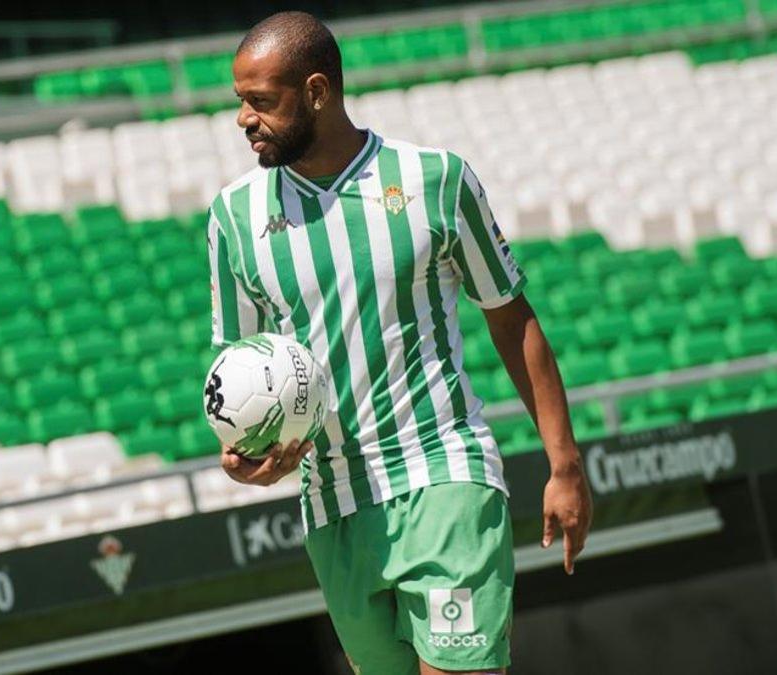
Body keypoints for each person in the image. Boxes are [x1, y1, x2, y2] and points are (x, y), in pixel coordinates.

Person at [206, 11, 593, 675]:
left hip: (442, 472)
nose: (245, 118)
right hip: (333, 504)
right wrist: (243, 457)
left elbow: (512, 317)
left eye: (261, 102)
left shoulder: (435, 179)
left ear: (319, 91)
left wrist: (564, 463)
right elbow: (238, 370)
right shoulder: (232, 219)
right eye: (241, 102)